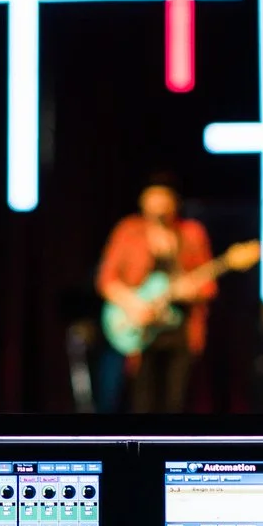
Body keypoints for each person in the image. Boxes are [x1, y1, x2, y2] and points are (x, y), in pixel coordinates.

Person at [96, 176, 218, 413]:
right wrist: (133, 305)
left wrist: (191, 291)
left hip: (180, 332)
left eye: (164, 198)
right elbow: (106, 279)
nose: (159, 205)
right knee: (143, 400)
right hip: (142, 330)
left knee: (176, 400)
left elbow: (208, 285)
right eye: (154, 197)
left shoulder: (191, 233)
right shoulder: (129, 231)